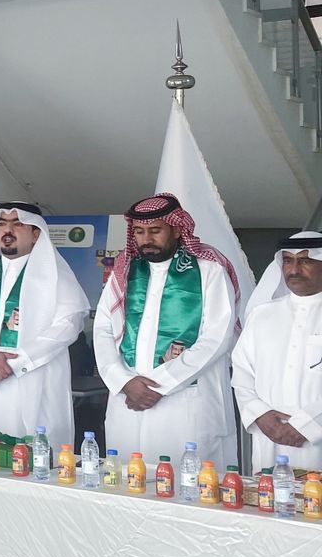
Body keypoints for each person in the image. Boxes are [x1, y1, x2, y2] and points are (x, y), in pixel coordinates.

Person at [93, 194, 239, 463]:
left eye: (155, 230)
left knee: (189, 478)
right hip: (128, 396)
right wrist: (122, 380)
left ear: (176, 229)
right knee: (126, 476)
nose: (146, 239)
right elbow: (103, 327)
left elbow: (218, 335)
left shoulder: (208, 269)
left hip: (186, 398)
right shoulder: (126, 269)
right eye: (139, 231)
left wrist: (160, 384)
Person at [0, 202, 89, 448]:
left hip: (33, 384)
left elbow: (67, 327)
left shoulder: (55, 277)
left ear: (36, 234)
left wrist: (11, 364)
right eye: (2, 224)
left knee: (30, 456)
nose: (8, 230)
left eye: (18, 224)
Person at [232, 231, 322, 471]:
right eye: (288, 261)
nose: (294, 270)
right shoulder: (262, 314)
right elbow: (241, 373)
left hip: (317, 440)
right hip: (269, 436)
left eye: (306, 261)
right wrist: (259, 415)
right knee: (267, 492)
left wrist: (309, 425)